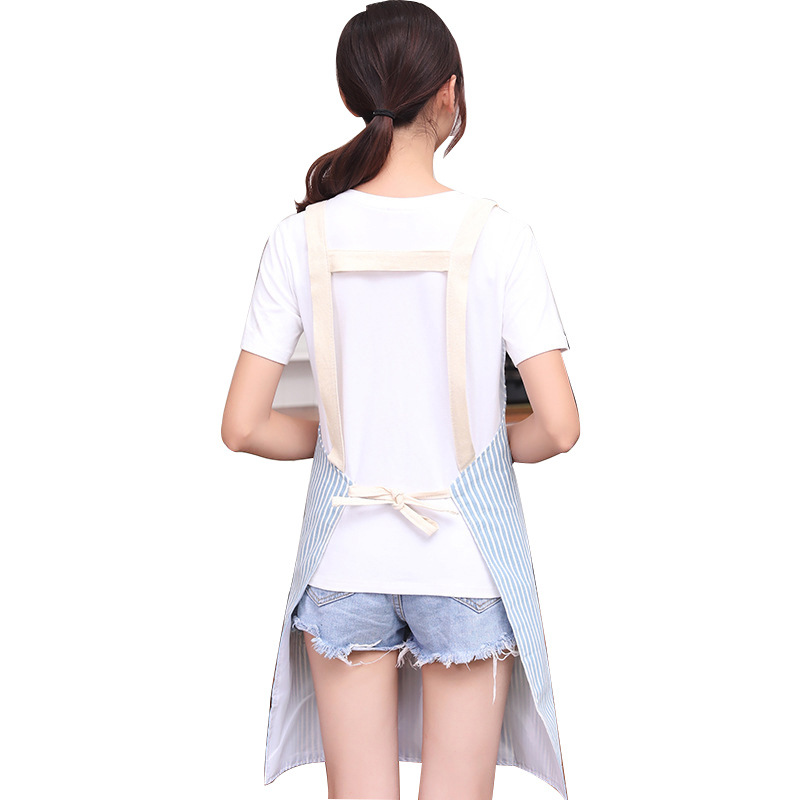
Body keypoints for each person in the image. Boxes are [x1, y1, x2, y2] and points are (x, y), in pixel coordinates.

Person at [221, 2, 580, 799]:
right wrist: (481, 453)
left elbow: (243, 426)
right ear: (448, 93)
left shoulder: (300, 237)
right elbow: (558, 427)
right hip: (464, 559)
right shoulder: (499, 236)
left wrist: (342, 435)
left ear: (352, 96)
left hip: (342, 560)